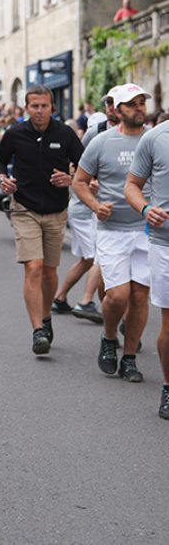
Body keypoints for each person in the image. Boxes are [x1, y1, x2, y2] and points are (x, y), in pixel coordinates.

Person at [0, 84, 83, 356]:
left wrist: (71, 179)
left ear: (52, 108)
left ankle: (46, 317)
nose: (40, 111)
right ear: (26, 108)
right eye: (35, 106)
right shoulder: (15, 134)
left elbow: (84, 168)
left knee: (49, 271)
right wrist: (3, 180)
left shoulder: (65, 134)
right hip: (24, 208)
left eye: (44, 106)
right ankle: (37, 331)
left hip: (56, 211)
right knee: (33, 266)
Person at [73, 84, 152, 382]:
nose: (138, 109)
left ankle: (129, 358)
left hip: (147, 230)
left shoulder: (154, 140)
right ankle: (108, 338)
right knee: (118, 296)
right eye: (131, 104)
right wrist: (95, 205)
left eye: (141, 103)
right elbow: (79, 181)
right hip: (111, 229)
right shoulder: (101, 142)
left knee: (140, 297)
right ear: (118, 110)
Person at [125, 102, 169, 418]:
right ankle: (168, 388)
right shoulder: (155, 138)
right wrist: (144, 208)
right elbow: (132, 186)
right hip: (165, 242)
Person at [52, 111, 108, 322]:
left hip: (83, 212)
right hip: (84, 212)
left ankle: (60, 297)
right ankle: (85, 301)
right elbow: (80, 179)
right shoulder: (86, 154)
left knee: (87, 260)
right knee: (97, 258)